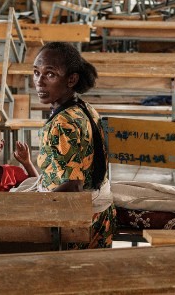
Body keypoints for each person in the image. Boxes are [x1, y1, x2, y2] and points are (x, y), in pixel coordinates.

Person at [31, 42, 115, 249]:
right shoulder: (84, 107)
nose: (39, 82)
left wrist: (34, 209)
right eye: (36, 73)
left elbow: (73, 186)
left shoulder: (62, 123)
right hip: (101, 215)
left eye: (50, 74)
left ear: (72, 79)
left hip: (78, 223)